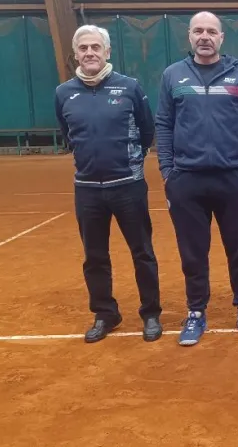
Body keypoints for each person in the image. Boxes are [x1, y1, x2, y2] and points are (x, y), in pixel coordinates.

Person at [155, 11, 238, 345]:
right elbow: (163, 123)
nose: (204, 36)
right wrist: (167, 170)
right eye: (198, 31)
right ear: (189, 36)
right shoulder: (173, 75)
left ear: (221, 38)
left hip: (233, 179)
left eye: (211, 31)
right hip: (186, 180)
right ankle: (196, 312)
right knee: (192, 252)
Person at [54, 24, 162, 344]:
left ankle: (151, 313)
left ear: (107, 52)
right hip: (87, 189)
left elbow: (147, 130)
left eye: (95, 47)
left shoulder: (130, 88)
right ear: (76, 54)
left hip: (128, 185)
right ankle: (105, 313)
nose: (90, 53)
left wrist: (128, 163)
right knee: (95, 255)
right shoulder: (64, 92)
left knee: (142, 251)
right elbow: (68, 134)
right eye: (84, 48)